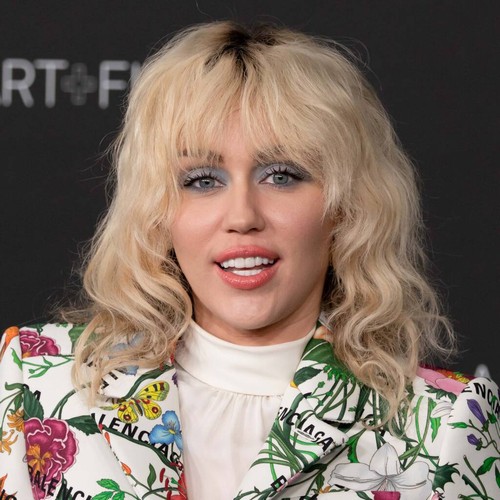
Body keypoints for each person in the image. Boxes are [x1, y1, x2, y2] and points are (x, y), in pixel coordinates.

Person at [0, 21, 498, 500]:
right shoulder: (36, 380)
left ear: (348, 208)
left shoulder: (447, 427)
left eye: (281, 175)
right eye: (202, 180)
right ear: (156, 212)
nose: (242, 216)